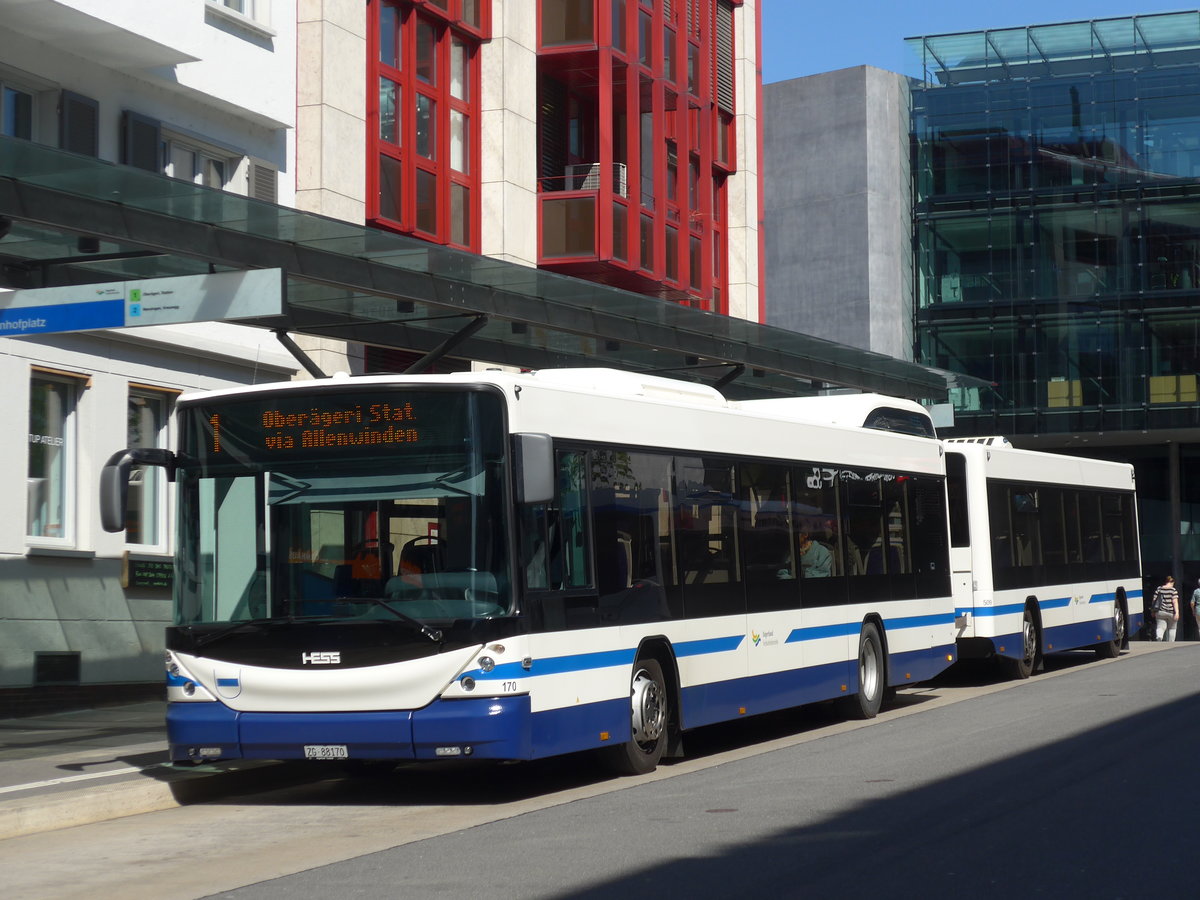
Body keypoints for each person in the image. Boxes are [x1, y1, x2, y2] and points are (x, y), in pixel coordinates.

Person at [1152, 575, 1180, 642]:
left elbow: (1154, 600)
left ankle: (1159, 637)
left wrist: (1153, 611)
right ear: (1172, 582)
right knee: (1172, 628)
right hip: (1171, 612)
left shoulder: (1159, 589)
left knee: (1160, 626)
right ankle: (1171, 642)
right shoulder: (1173, 590)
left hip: (1160, 612)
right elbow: (1175, 602)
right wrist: (1177, 612)